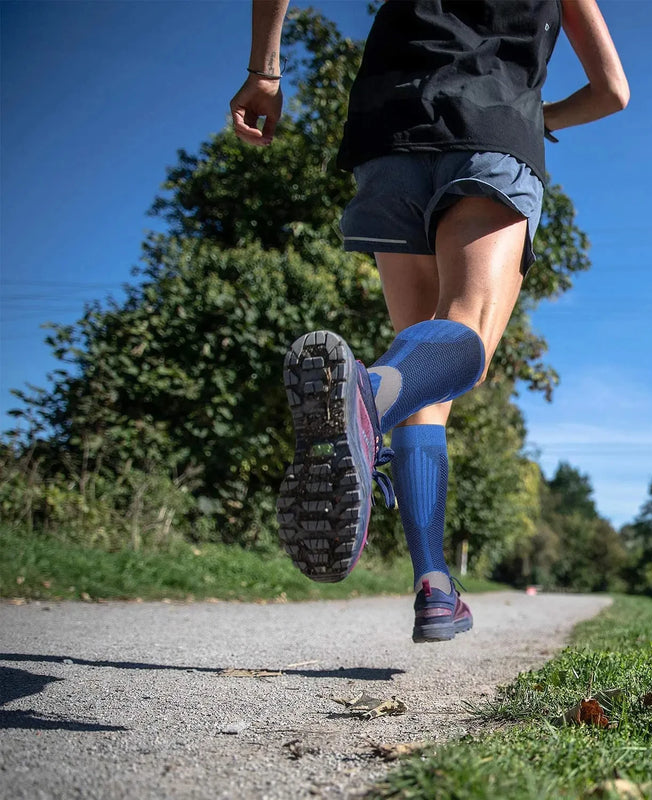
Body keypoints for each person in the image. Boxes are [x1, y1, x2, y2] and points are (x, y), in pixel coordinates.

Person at [231, 0, 628, 643]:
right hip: (493, 129)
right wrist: (537, 116)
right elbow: (613, 91)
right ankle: (364, 400)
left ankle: (435, 584)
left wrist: (266, 73)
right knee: (461, 338)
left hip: (389, 132)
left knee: (420, 377)